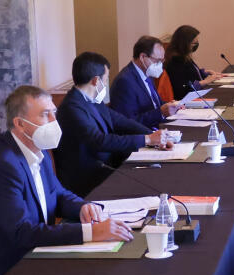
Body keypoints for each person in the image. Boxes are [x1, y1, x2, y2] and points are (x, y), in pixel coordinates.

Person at [0, 85, 134, 275]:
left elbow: (58, 193)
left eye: (54, 112)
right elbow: (22, 233)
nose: (55, 120)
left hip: (34, 255)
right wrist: (90, 232)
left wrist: (82, 207)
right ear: (20, 124)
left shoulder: (35, 148)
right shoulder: (1, 166)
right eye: (46, 115)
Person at [55, 52, 174, 195]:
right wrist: (146, 139)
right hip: (89, 178)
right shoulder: (71, 108)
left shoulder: (91, 99)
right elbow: (98, 140)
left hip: (106, 165)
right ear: (95, 81)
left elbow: (121, 121)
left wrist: (153, 136)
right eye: (105, 80)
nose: (105, 84)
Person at [109, 35, 182, 129]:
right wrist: (160, 113)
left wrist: (171, 106)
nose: (160, 65)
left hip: (159, 129)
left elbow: (155, 104)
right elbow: (127, 123)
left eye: (162, 61)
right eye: (157, 61)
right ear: (142, 57)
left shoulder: (146, 74)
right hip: (143, 137)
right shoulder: (124, 82)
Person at [164, 24, 222, 98]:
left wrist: (204, 73)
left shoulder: (183, 56)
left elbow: (189, 73)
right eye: (194, 43)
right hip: (186, 101)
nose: (195, 46)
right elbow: (183, 87)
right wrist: (205, 82)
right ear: (184, 44)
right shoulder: (175, 61)